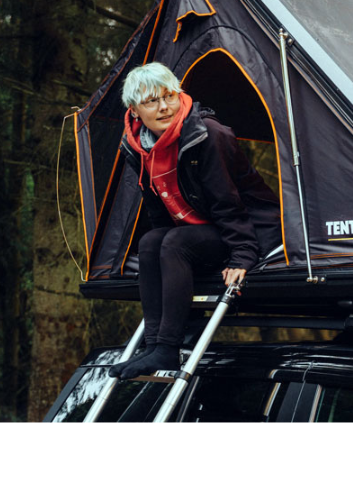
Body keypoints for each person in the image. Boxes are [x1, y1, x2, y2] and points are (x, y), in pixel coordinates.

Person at [108, 62, 281, 379]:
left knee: (174, 243)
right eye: (151, 101)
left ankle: (167, 349)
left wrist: (243, 255)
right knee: (150, 241)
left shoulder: (207, 133)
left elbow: (228, 200)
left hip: (248, 229)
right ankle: (153, 346)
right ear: (134, 110)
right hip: (204, 229)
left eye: (169, 96)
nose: (164, 107)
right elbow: (156, 204)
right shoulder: (137, 146)